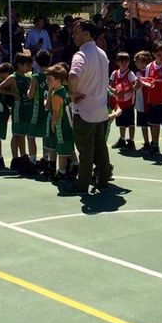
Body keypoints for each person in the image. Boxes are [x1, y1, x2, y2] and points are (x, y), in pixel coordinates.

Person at [68, 19, 113, 193]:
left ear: (87, 34)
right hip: (100, 109)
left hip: (85, 109)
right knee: (100, 147)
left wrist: (72, 94)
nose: (73, 35)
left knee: (85, 150)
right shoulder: (102, 53)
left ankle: (82, 183)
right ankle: (103, 178)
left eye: (77, 32)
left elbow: (73, 75)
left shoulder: (81, 55)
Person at [110, 52, 137, 150]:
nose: (124, 63)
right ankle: (122, 139)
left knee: (130, 123)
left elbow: (135, 87)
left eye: (126, 61)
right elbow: (110, 85)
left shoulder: (130, 74)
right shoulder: (115, 73)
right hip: (119, 103)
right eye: (122, 61)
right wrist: (113, 90)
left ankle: (131, 141)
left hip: (129, 102)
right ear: (117, 62)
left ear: (129, 62)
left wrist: (124, 91)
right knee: (121, 123)